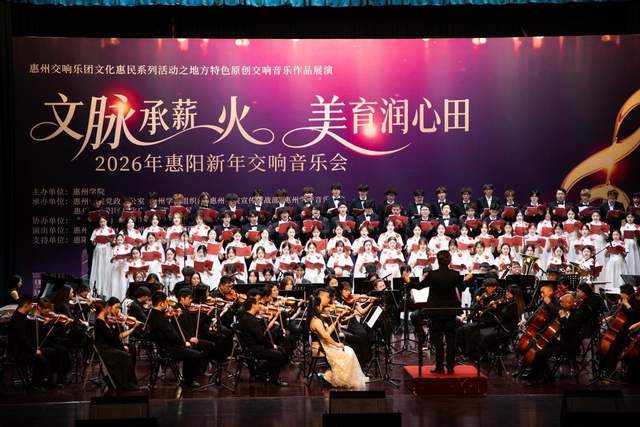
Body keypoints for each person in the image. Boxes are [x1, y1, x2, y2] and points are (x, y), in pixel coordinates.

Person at [410, 250, 465, 374]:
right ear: (449, 261)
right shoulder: (455, 274)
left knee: (438, 339)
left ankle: (439, 366)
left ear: (438, 261)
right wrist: (464, 280)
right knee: (451, 338)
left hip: (436, 311)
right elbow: (462, 287)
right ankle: (450, 367)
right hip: (450, 310)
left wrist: (409, 283)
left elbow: (419, 286)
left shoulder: (432, 274)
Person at [308, 288, 368, 388]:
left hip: (327, 344)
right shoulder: (316, 320)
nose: (329, 300)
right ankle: (333, 377)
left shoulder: (319, 317)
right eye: (327, 297)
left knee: (350, 350)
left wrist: (336, 320)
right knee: (348, 353)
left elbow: (327, 332)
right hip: (325, 346)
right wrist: (337, 344)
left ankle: (343, 378)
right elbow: (325, 336)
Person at [146, 292, 204, 387]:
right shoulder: (160, 318)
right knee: (195, 354)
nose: (168, 305)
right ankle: (188, 381)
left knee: (192, 350)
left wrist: (171, 317)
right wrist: (184, 343)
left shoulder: (153, 314)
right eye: (166, 302)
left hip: (164, 346)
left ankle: (187, 378)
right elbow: (172, 336)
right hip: (168, 348)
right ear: (161, 303)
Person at [237, 296, 289, 386]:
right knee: (278, 354)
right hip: (253, 348)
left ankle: (262, 372)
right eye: (258, 304)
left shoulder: (246, 317)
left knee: (281, 351)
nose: (260, 306)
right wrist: (272, 346)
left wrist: (268, 319)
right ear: (253, 305)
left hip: (252, 346)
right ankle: (271, 378)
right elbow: (261, 338)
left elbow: (261, 333)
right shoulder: (250, 320)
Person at [93, 298, 140, 390]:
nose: (117, 311)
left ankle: (130, 380)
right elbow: (111, 339)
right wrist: (121, 346)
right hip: (105, 350)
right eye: (115, 307)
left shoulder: (105, 321)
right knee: (126, 355)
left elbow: (113, 338)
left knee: (131, 349)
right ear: (106, 308)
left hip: (110, 347)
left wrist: (118, 325)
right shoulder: (99, 322)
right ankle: (124, 383)